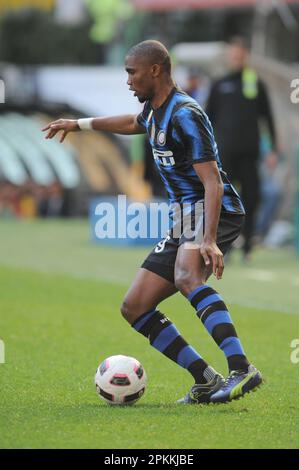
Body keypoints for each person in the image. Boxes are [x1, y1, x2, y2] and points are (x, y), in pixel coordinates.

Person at [42, 40, 262, 404]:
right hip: (184, 216)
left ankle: (241, 368)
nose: (128, 80)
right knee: (135, 306)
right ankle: (205, 379)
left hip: (211, 210)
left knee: (187, 275)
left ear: (155, 70)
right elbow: (132, 122)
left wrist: (208, 239)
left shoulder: (185, 113)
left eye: (132, 72)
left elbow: (213, 183)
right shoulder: (154, 110)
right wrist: (79, 124)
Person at [206, 37, 277, 261]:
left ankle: (247, 245)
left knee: (252, 197)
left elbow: (268, 118)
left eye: (240, 54)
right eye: (233, 54)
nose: (236, 58)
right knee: (224, 199)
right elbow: (207, 119)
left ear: (245, 55)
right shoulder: (219, 84)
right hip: (225, 152)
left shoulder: (256, 83)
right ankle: (224, 245)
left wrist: (273, 149)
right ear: (229, 56)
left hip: (250, 152)